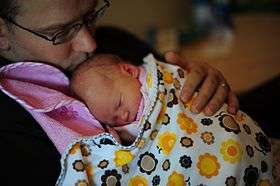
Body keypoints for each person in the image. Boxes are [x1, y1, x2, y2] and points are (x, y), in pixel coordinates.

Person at [0, 0, 239, 184]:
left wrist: (204, 84)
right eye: (60, 32)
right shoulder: (10, 135)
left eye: (91, 14)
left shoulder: (115, 40)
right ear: (2, 34)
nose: (90, 44)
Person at [58, 53, 273, 185]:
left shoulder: (155, 78)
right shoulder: (119, 123)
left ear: (129, 70)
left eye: (120, 103)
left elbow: (182, 77)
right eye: (113, 120)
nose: (123, 116)